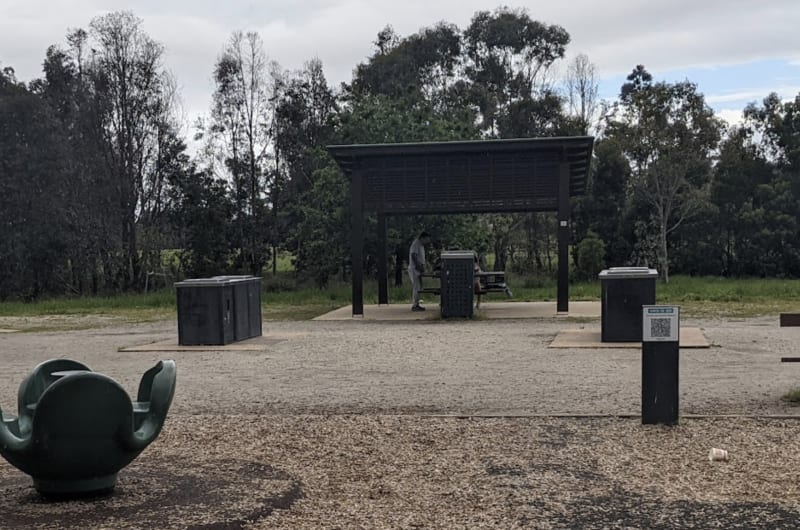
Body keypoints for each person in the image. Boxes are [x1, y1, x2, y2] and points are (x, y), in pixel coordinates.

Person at [408, 231, 431, 311]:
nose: (427, 241)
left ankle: (417, 303)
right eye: (427, 239)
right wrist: (418, 266)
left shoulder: (421, 245)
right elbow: (414, 255)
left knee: (419, 287)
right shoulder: (416, 244)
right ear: (422, 238)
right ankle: (415, 305)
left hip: (418, 269)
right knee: (416, 287)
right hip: (415, 269)